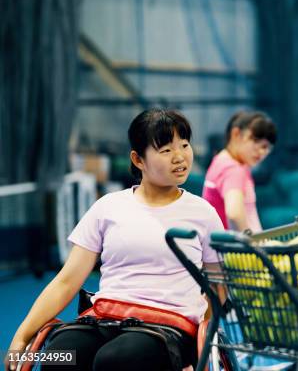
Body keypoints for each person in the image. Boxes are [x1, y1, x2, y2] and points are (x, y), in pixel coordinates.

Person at [5, 109, 224, 371]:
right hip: (104, 318)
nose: (180, 157)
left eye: (184, 146)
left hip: (168, 327)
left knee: (114, 361)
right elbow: (66, 280)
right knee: (59, 356)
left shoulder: (203, 213)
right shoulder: (108, 207)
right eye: (166, 150)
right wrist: (21, 337)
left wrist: (202, 344)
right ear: (138, 159)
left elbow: (218, 287)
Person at [203, 111, 276, 233]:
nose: (263, 152)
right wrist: (251, 245)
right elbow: (234, 213)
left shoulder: (222, 161)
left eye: (267, 147)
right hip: (238, 251)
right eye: (257, 141)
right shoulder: (233, 169)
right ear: (236, 134)